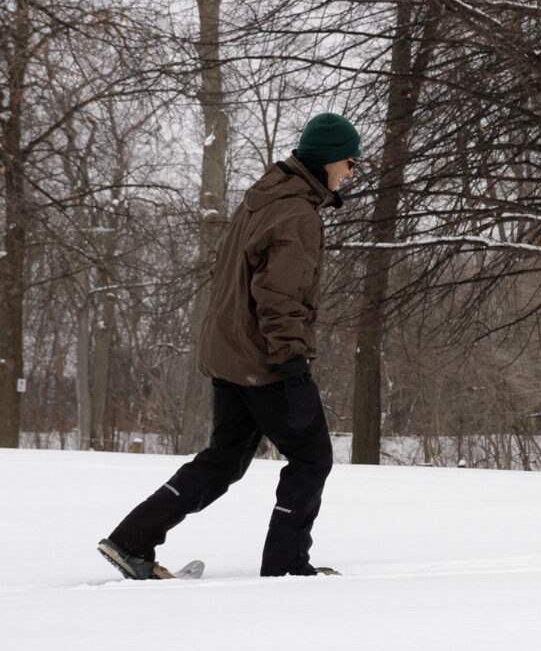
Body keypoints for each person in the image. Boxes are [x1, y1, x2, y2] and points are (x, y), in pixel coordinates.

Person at [98, 114, 362, 579]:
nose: (351, 173)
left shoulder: (263, 198)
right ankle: (286, 567)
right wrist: (293, 366)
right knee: (312, 456)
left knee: (224, 460)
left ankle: (131, 540)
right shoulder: (297, 214)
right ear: (327, 160)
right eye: (349, 162)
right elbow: (279, 299)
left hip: (227, 354)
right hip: (262, 360)